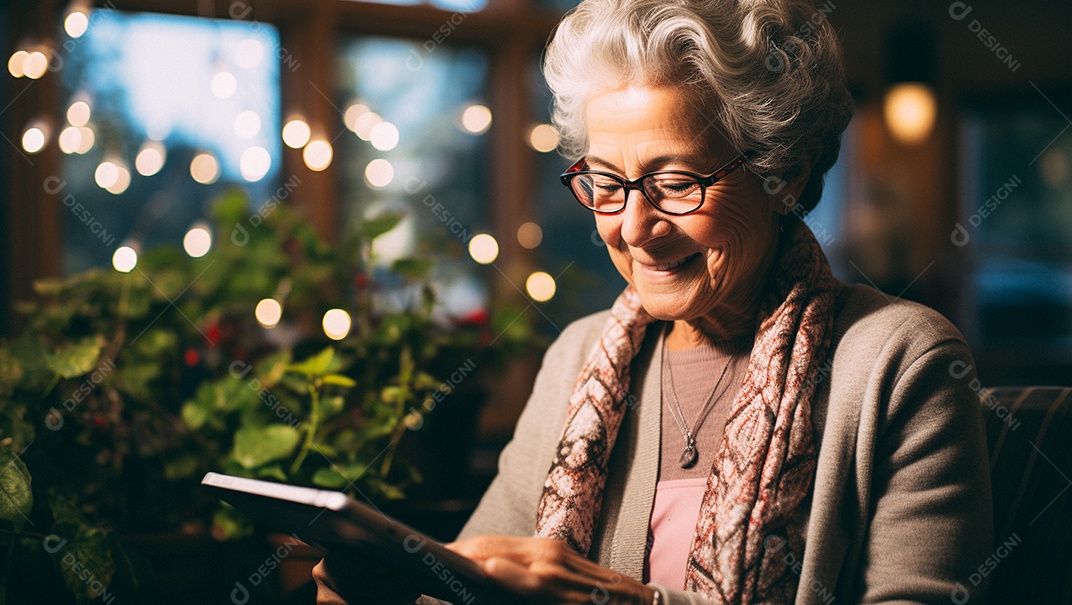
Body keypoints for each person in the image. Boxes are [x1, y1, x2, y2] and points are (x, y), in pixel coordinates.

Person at [315, 0, 993, 602]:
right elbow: (473, 581)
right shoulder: (577, 355)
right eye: (606, 181)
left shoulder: (901, 360)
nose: (633, 227)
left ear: (780, 170)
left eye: (674, 182)